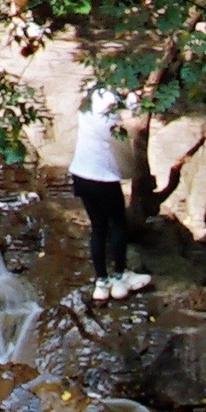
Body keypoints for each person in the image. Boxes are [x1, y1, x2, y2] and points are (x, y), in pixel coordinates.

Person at [68, 85, 144, 302]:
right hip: (103, 178)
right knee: (119, 224)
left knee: (98, 227)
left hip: (80, 174)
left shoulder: (87, 104)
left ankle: (101, 282)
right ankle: (119, 278)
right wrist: (135, 96)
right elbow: (133, 110)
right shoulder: (111, 115)